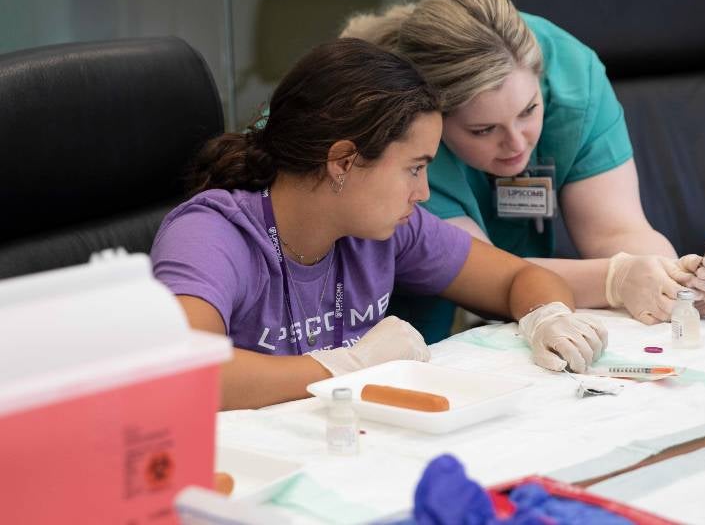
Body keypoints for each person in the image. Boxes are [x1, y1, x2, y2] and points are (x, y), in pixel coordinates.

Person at [151, 38, 608, 410]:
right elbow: (185, 375)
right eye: (414, 168)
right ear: (344, 161)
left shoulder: (386, 228)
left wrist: (548, 318)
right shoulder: (211, 233)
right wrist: (350, 363)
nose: (424, 192)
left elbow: (519, 278)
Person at [342, 0, 705, 342]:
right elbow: (479, 278)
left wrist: (673, 281)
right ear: (434, 119)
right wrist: (617, 280)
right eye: (483, 130)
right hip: (390, 312)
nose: (516, 143)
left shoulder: (572, 78)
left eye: (529, 110)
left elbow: (616, 232)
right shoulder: (403, 122)